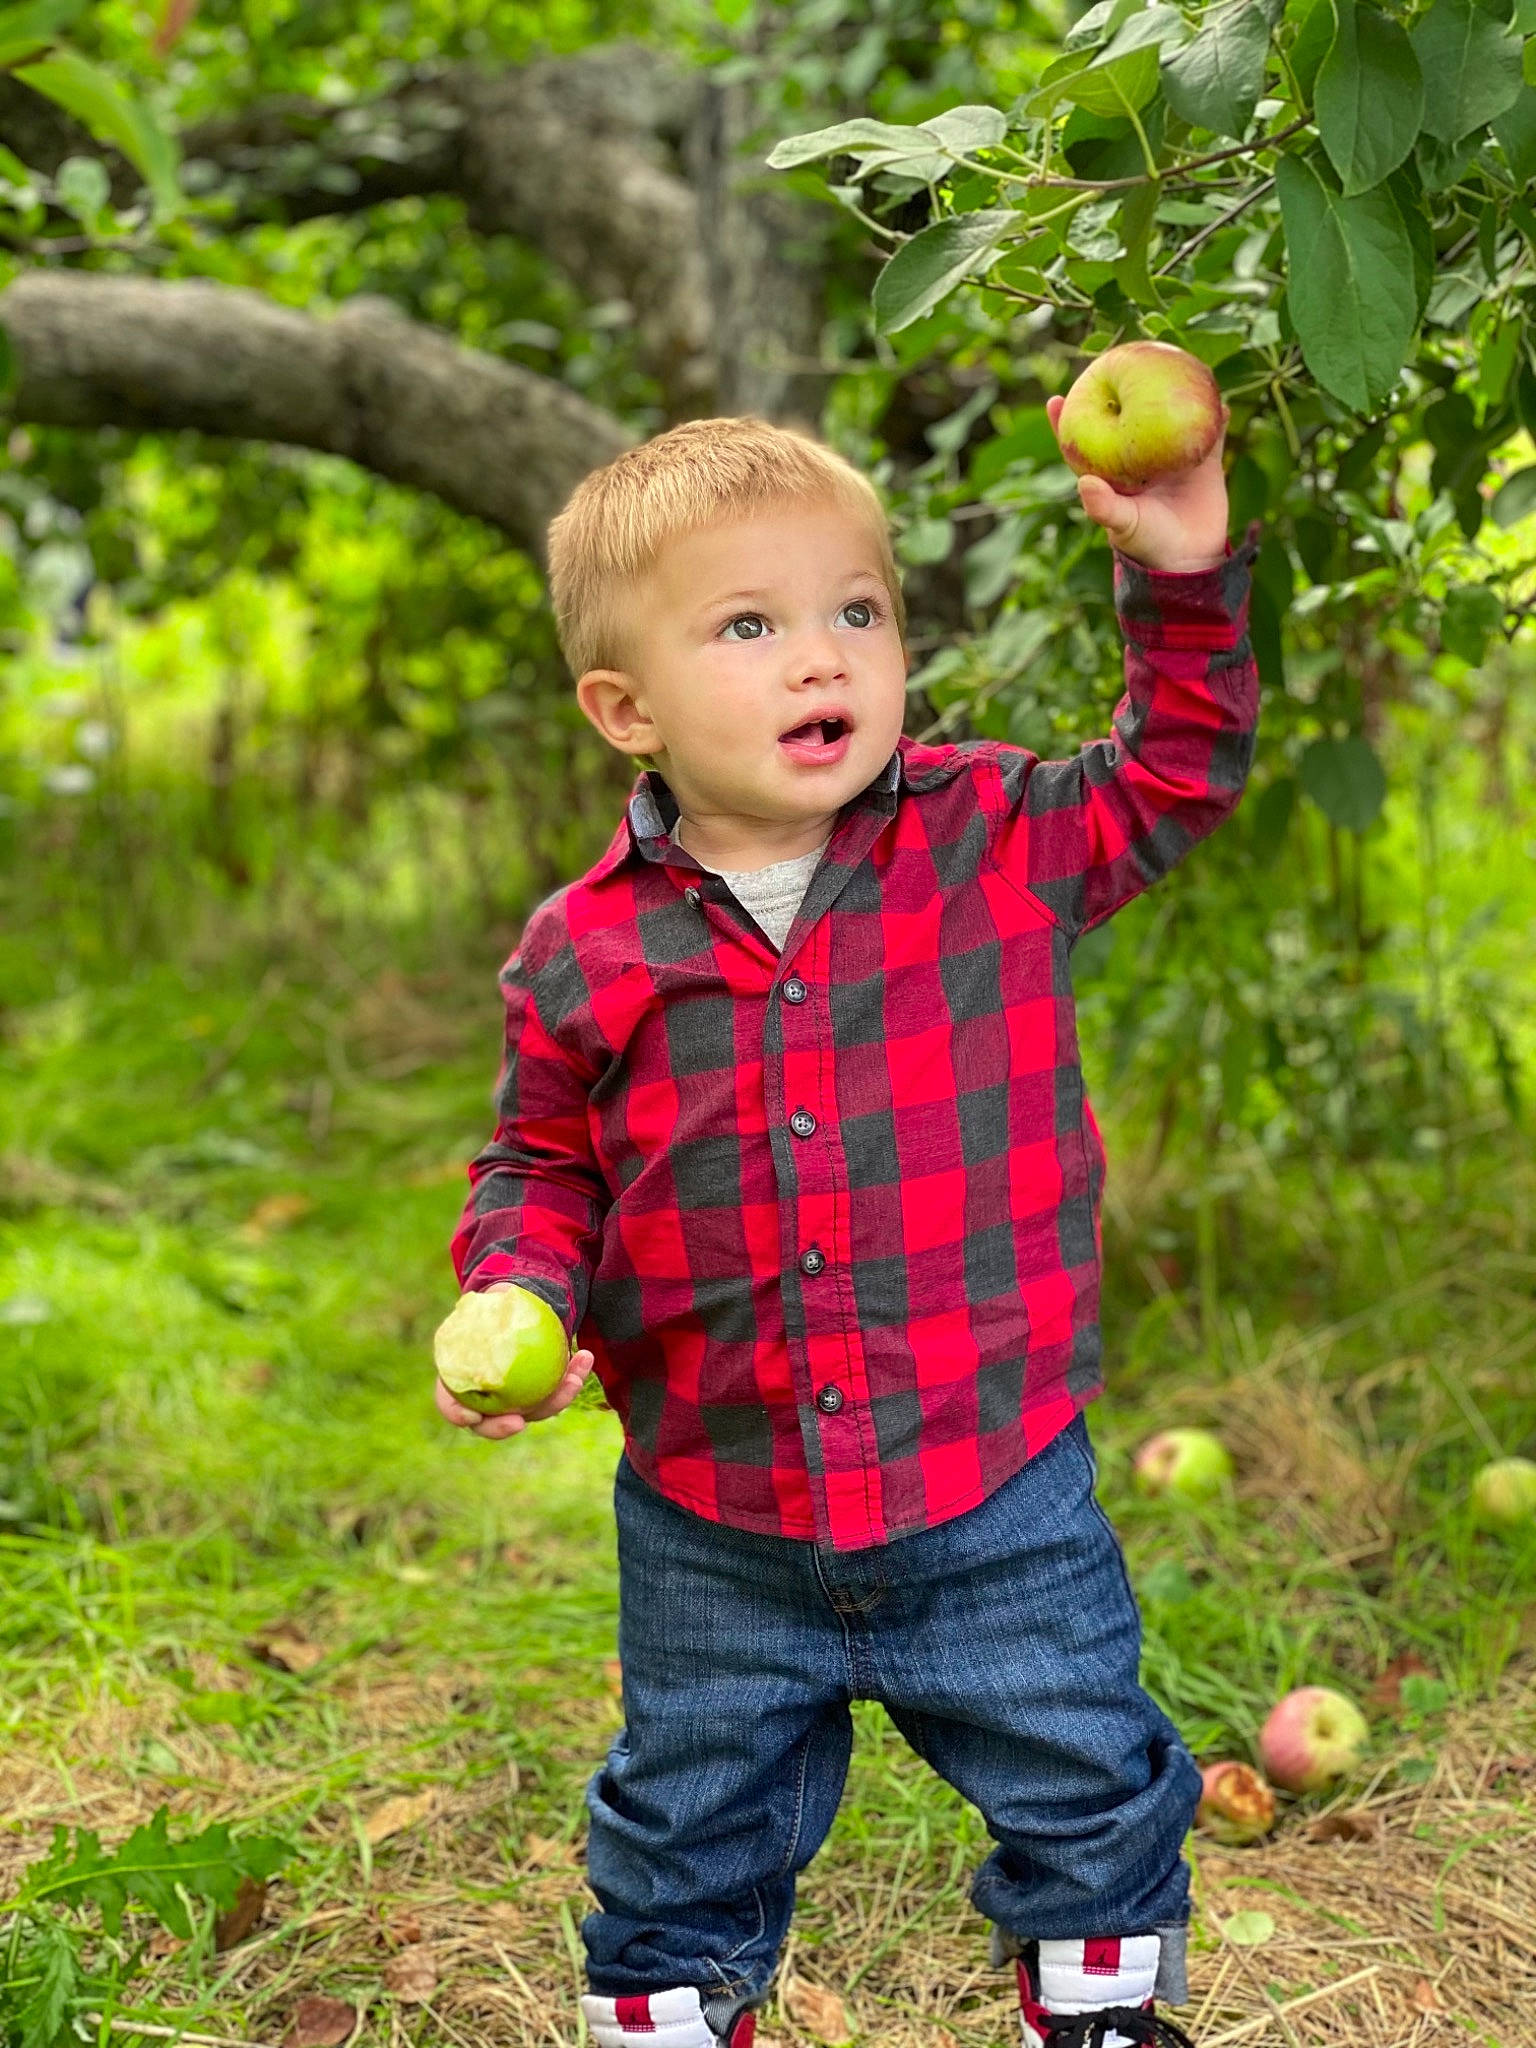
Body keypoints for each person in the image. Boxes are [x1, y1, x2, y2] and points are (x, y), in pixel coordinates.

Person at [442, 399, 1259, 2048]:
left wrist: (1181, 569)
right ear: (626, 709)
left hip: (991, 1471)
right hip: (717, 1508)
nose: (823, 659)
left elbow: (1177, 770)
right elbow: (539, 1164)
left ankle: (1100, 2011)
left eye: (855, 613)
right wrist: (519, 1291)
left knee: (1089, 1768)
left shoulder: (995, 839)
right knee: (683, 1816)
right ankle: (675, 2013)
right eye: (751, 626)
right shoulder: (583, 951)